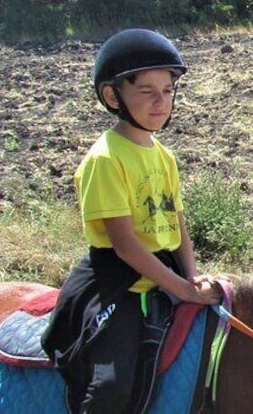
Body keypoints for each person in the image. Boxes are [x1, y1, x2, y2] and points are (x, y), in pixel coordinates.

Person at [41, 28, 222, 413]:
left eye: (169, 91)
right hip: (119, 285)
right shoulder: (105, 159)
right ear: (112, 96)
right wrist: (182, 289)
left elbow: (179, 227)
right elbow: (124, 246)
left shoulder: (164, 157)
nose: (161, 102)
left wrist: (192, 278)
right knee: (111, 386)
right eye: (147, 92)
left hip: (165, 273)